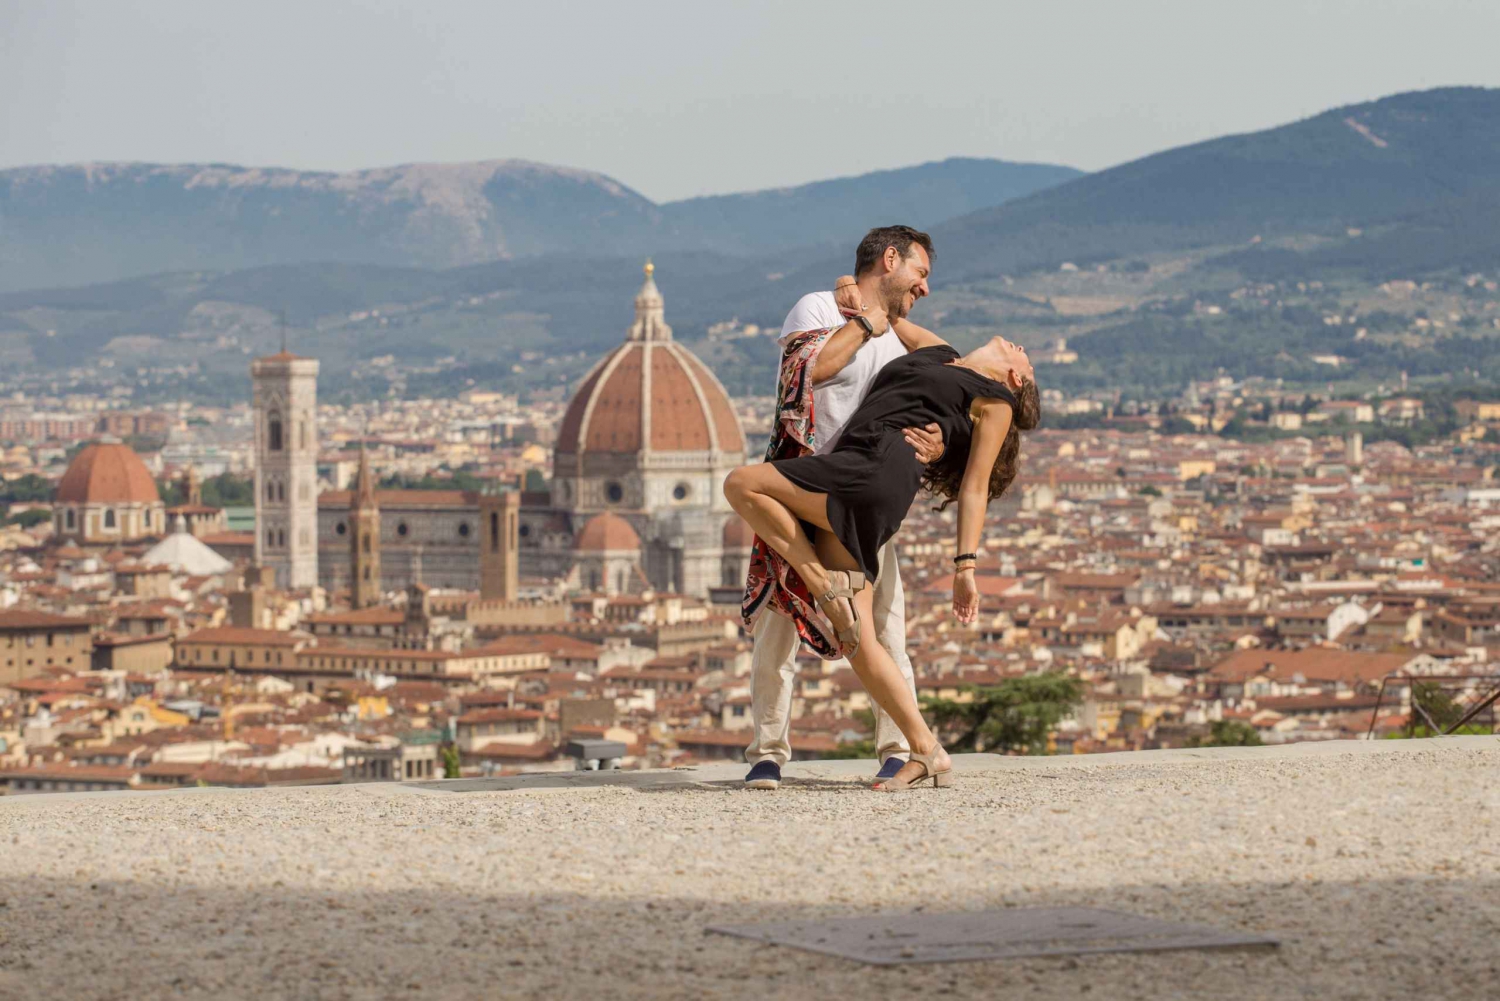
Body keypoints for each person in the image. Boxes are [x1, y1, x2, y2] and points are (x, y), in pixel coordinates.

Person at [724, 296, 1041, 792]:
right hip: (859, 472)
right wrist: (849, 287)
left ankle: (817, 580)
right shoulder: (941, 353)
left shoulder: (994, 402)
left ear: (1015, 379)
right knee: (858, 640)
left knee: (742, 483)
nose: (1019, 345)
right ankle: (926, 749)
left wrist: (966, 566)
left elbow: (975, 486)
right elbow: (891, 317)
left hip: (873, 470)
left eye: (1025, 356)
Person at [740, 225, 944, 791]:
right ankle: (768, 752)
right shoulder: (818, 307)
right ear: (891, 259)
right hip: (799, 485)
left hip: (863, 498)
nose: (925, 288)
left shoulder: (900, 336)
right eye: (920, 274)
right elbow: (807, 373)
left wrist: (941, 441)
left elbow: (941, 390)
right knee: (776, 628)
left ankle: (897, 747)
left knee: (886, 627)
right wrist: (863, 322)